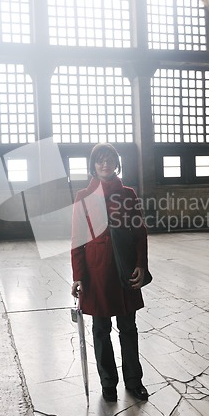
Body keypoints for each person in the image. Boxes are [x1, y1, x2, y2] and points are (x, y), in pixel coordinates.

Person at [71, 142, 149, 402]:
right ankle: (108, 383)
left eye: (110, 159)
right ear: (93, 164)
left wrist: (140, 264)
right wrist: (78, 275)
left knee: (128, 327)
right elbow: (78, 239)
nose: (105, 164)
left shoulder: (128, 194)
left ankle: (134, 381)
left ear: (117, 163)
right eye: (100, 160)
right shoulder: (83, 196)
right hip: (97, 271)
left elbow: (139, 233)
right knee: (101, 329)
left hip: (124, 268)